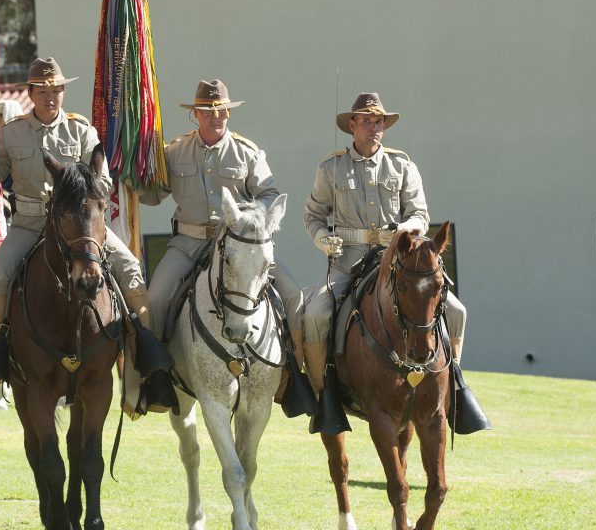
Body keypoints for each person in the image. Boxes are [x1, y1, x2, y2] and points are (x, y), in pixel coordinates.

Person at [0, 57, 175, 410]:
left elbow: (103, 181)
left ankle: (144, 357)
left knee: (132, 271)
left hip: (81, 225)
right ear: (30, 93)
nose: (51, 96)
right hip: (31, 223)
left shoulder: (82, 131)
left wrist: (73, 195)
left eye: (57, 90)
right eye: (43, 90)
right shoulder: (12, 132)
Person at [138, 79, 305, 415]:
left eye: (221, 111)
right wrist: (133, 171)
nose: (215, 117)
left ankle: (296, 376)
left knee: (292, 294)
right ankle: (156, 379)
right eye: (207, 112)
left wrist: (248, 217)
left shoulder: (247, 152)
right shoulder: (174, 152)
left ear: (228, 112)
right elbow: (152, 195)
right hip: (189, 241)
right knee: (155, 298)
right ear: (195, 114)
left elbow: (269, 196)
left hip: (238, 245)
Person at [301, 92, 467, 393]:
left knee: (456, 311)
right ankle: (320, 392)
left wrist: (403, 230)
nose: (374, 127)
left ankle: (454, 387)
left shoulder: (402, 165)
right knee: (314, 314)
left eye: (379, 122)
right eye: (366, 121)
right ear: (352, 124)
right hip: (348, 258)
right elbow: (312, 215)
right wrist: (323, 240)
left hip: (398, 258)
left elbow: (419, 214)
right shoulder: (330, 168)